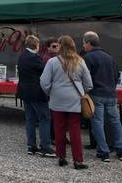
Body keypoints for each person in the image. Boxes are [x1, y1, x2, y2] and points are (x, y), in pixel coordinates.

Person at [40, 35, 93, 170]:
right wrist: (81, 92)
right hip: (75, 99)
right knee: (75, 130)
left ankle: (61, 157)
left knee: (59, 129)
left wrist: (51, 92)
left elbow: (44, 82)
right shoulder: (80, 61)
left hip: (57, 99)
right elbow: (89, 84)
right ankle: (78, 160)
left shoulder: (52, 62)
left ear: (60, 46)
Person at [82, 31, 122, 162]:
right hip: (111, 94)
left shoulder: (88, 58)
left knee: (97, 123)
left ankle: (103, 151)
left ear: (89, 43)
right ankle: (121, 150)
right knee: (115, 122)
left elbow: (86, 78)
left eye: (84, 43)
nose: (83, 46)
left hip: (96, 94)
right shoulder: (109, 56)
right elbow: (117, 75)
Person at [17, 35, 54, 157]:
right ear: (36, 46)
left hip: (25, 92)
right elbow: (44, 72)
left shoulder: (22, 56)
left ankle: (31, 146)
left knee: (30, 119)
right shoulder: (34, 58)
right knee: (44, 118)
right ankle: (45, 146)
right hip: (37, 93)